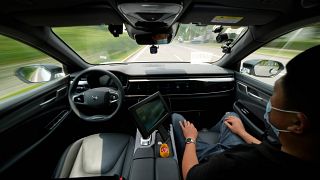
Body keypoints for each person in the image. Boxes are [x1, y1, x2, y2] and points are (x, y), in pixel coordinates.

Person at [174, 45, 320, 179]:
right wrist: (242, 132)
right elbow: (271, 151)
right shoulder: (293, 151)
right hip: (233, 149)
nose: (270, 101)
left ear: (297, 123)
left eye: (274, 94)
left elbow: (190, 175)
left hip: (215, 159)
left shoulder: (236, 165)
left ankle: (201, 139)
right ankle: (212, 138)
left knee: (176, 118)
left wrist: (190, 138)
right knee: (231, 116)